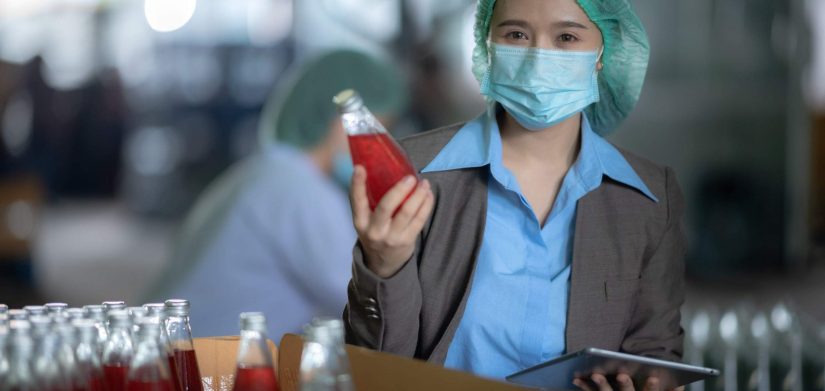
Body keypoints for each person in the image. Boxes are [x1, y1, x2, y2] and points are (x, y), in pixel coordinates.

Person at [344, 1, 685, 390]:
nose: (538, 57)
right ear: (487, 43)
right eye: (516, 35)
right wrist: (384, 266)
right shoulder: (414, 173)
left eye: (567, 37)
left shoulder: (650, 198)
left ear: (603, 54)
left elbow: (655, 354)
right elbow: (373, 366)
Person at [148, 50, 407, 338]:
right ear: (342, 123)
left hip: (168, 347)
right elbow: (370, 304)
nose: (382, 148)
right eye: (377, 131)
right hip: (202, 368)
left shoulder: (263, 173)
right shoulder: (301, 192)